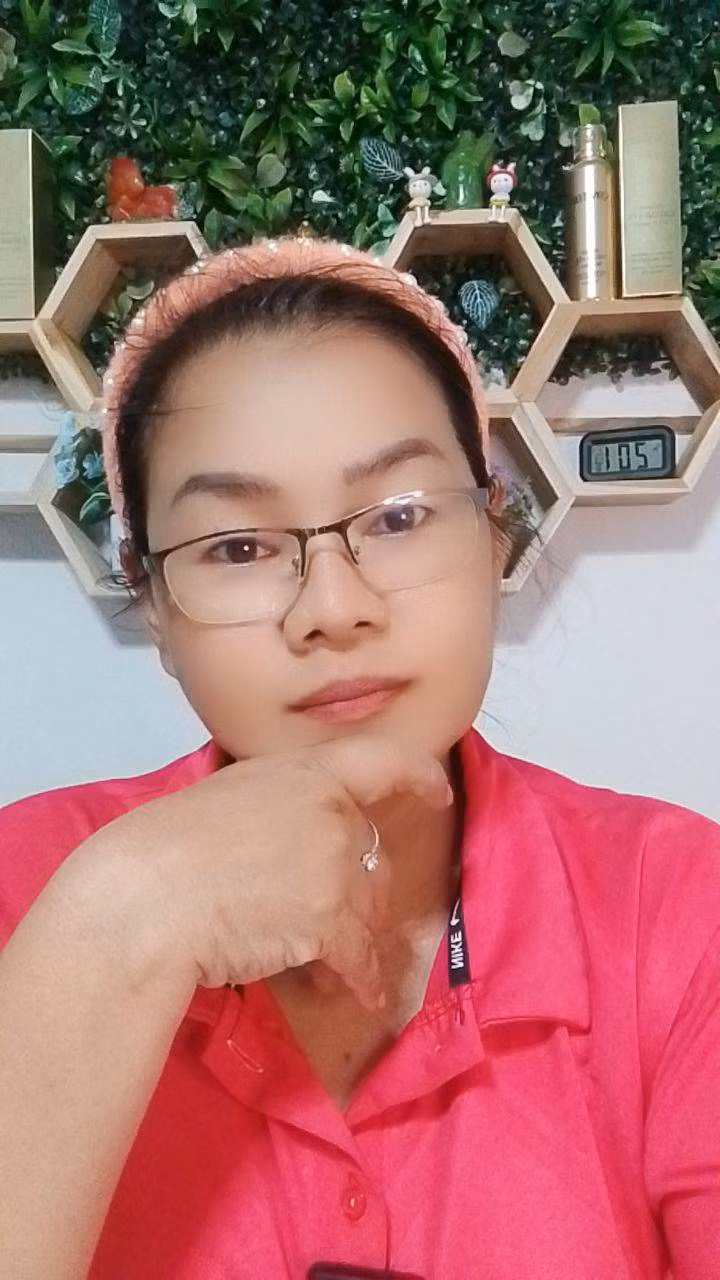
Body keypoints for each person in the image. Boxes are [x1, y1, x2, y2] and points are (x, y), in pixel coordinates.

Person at [0, 236, 718, 1280]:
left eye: (399, 516)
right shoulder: (27, 886)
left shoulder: (677, 907)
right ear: (152, 605)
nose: (333, 608)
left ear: (494, 533)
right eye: (237, 546)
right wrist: (122, 926)